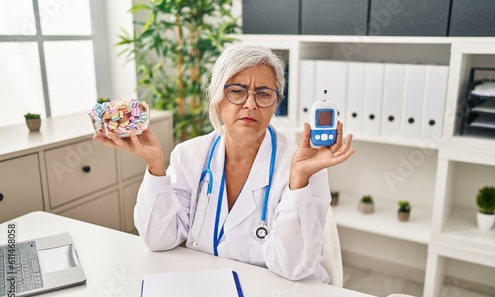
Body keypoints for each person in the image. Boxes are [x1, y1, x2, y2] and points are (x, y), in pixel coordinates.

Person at [93, 42, 355, 283]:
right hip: (208, 289)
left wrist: (298, 181)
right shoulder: (188, 156)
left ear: (275, 103)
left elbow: (293, 268)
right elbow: (158, 240)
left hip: (281, 296)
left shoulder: (305, 165)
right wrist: (155, 167)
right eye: (237, 91)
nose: (250, 104)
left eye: (263, 94)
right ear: (217, 99)